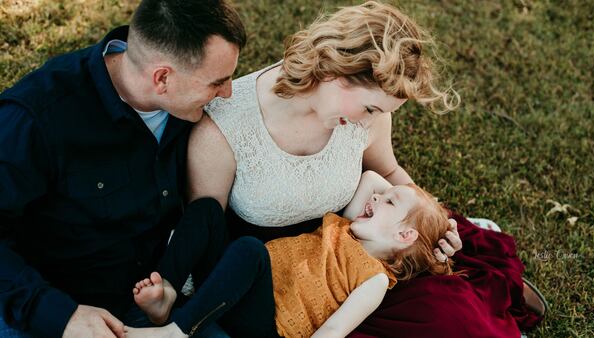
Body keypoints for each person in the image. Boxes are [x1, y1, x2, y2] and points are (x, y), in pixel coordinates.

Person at [187, 1, 544, 335]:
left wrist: (430, 219)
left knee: (454, 310)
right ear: (336, 72)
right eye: (372, 108)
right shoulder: (225, 130)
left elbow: (387, 173)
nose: (371, 120)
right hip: (278, 280)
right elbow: (203, 231)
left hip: (363, 242)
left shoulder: (365, 118)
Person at [0, 0, 245, 337]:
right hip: (64, 311)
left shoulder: (185, 103)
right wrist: (59, 315)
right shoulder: (36, 119)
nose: (228, 93)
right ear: (162, 78)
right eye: (217, 82)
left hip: (161, 303)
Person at [125, 171, 455, 338]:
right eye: (382, 195)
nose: (376, 197)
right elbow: (370, 179)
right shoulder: (346, 225)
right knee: (208, 211)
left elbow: (334, 330)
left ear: (404, 235)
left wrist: (422, 219)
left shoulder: (376, 279)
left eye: (389, 202)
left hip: (268, 322)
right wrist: (401, 200)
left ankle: (176, 330)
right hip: (237, 285)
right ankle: (166, 293)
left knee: (250, 250)